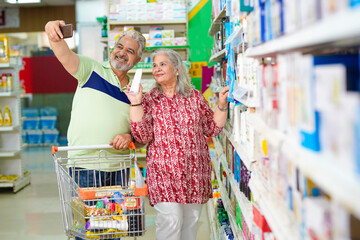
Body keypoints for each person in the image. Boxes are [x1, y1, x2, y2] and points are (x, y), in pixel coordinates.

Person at [125, 48, 229, 240]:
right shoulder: (149, 99)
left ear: (178, 69)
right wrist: (135, 103)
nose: (157, 69)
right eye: (155, 65)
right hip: (163, 174)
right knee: (170, 221)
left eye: (162, 64)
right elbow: (142, 135)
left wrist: (221, 105)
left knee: (191, 223)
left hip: (194, 173)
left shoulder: (195, 97)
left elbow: (212, 128)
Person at [45, 20, 145, 188]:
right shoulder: (91, 70)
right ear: (112, 49)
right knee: (87, 214)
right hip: (85, 165)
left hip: (121, 167)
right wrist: (52, 30)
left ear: (137, 60)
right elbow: (64, 55)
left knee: (121, 215)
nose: (122, 53)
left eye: (130, 51)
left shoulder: (136, 92)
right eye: (119, 47)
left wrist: (130, 137)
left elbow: (142, 136)